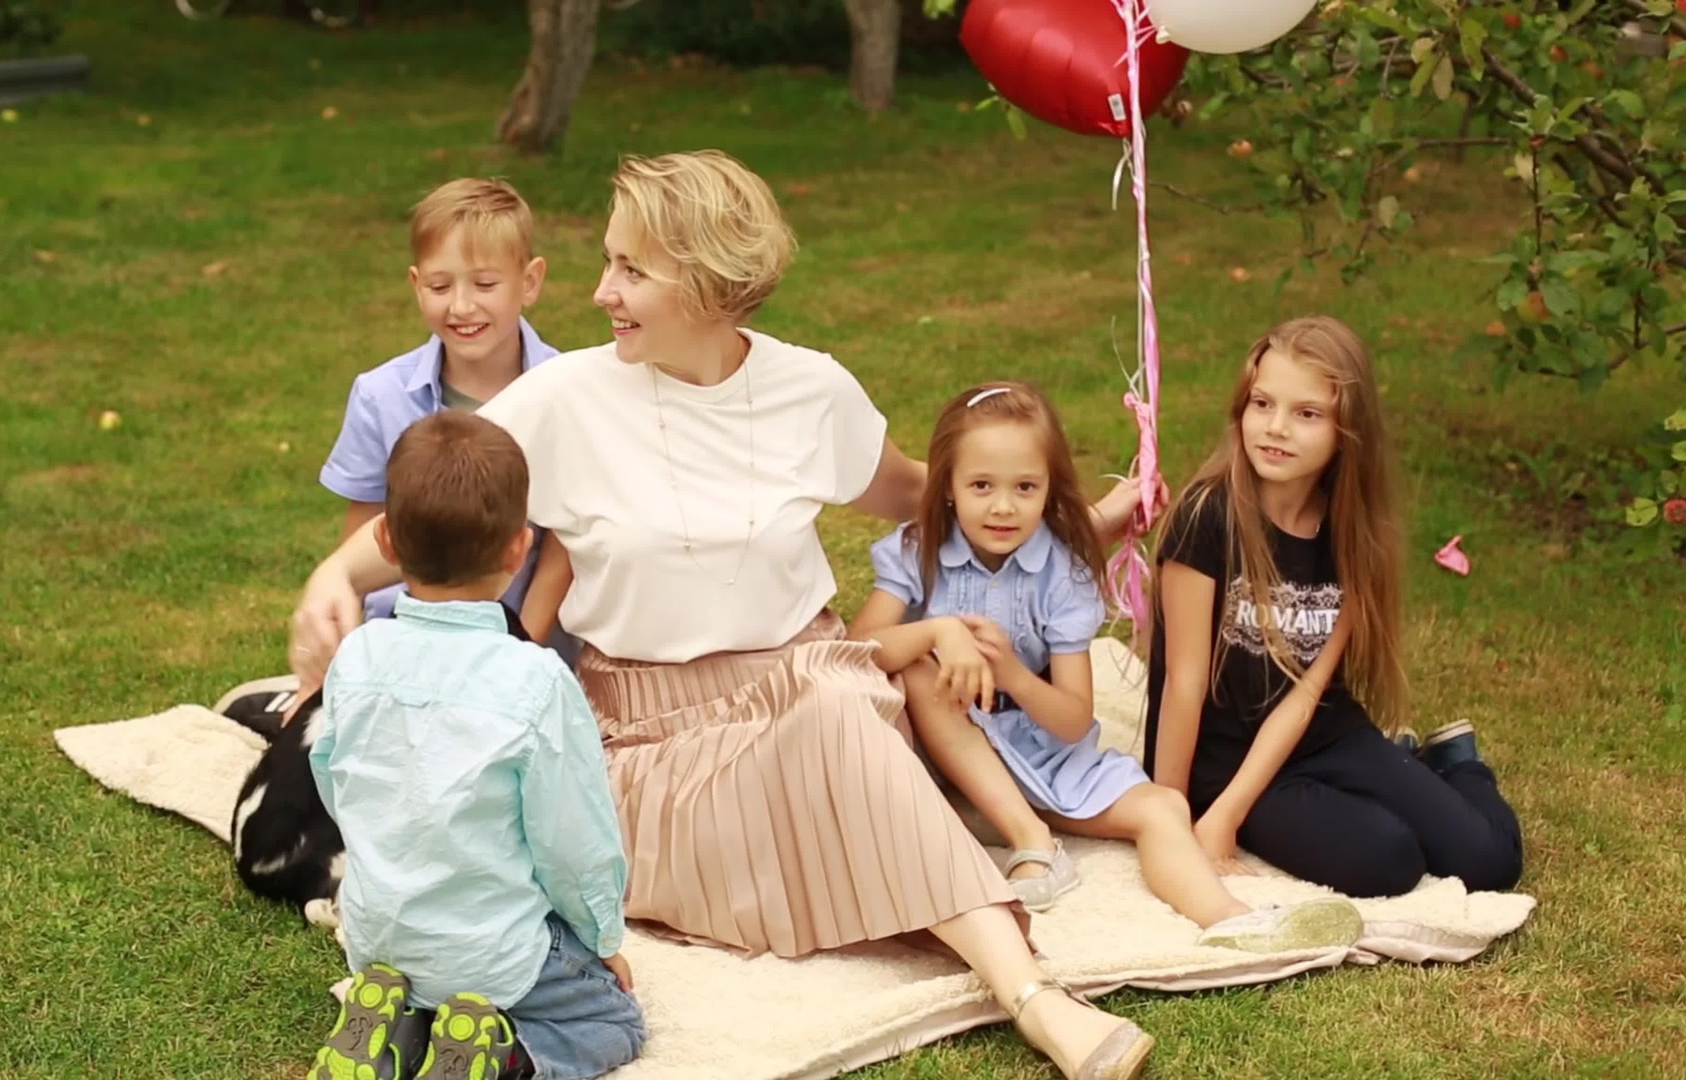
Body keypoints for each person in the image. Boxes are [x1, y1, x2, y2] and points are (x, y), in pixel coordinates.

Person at [292, 150, 1159, 1080]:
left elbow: (919, 493)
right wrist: (333, 575)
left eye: (630, 270)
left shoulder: (810, 389)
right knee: (842, 775)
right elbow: (432, 511)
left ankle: (1029, 994)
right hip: (641, 732)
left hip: (802, 679)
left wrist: (1089, 520)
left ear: (708, 284)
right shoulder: (559, 399)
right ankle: (904, 886)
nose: (599, 292)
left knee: (838, 716)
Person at [848, 380, 1363, 953]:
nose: (1002, 505)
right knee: (920, 668)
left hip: (1039, 752)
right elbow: (855, 653)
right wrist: (939, 631)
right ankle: (1030, 840)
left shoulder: (1061, 574)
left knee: (1163, 806)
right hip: (946, 756)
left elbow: (1072, 720)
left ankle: (1232, 921)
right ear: (946, 487)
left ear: (1050, 492)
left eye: (1025, 487)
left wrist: (1015, 673)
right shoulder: (917, 551)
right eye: (981, 485)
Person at [306, 411, 643, 1080]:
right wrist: (603, 939)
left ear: (388, 543)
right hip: (493, 952)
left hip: (378, 937)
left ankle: (394, 1024)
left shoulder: (358, 655)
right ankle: (506, 1060)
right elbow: (573, 838)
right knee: (614, 1022)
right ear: (520, 550)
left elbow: (331, 774)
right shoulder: (536, 679)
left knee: (437, 979)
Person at [1146, 316, 1523, 898]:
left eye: (1307, 414)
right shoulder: (1208, 517)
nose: (1275, 428)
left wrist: (1229, 820)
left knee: (1489, 861)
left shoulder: (1354, 530)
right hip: (1223, 754)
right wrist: (1176, 822)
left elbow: (1308, 690)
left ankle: (1454, 766)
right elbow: (1184, 685)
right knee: (1387, 859)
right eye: (1262, 403)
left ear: (1348, 430)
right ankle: (1395, 780)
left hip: (1319, 728)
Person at [217, 177, 562, 729]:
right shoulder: (380, 395)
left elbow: (563, 558)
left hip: (523, 644)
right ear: (415, 283)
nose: (462, 306)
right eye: (440, 285)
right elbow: (367, 547)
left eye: (486, 283)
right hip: (404, 646)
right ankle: (298, 700)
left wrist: (518, 661)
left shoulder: (568, 393)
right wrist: (347, 669)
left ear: (530, 281)